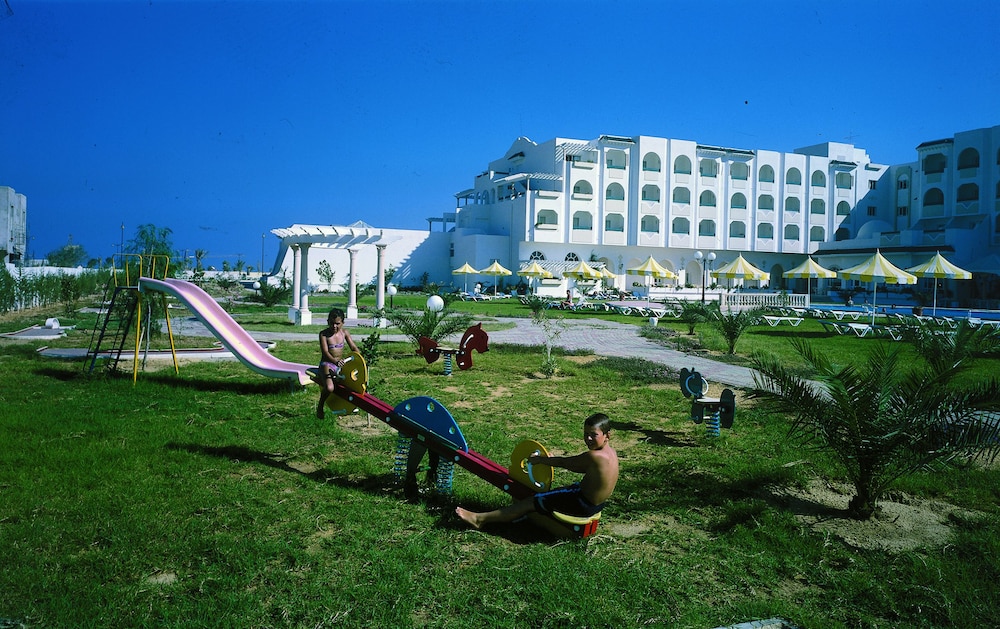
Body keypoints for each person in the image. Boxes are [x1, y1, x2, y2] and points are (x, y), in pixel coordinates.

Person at [455, 413, 619, 530]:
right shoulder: (611, 454)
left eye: (593, 435)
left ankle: (479, 519)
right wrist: (552, 459)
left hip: (582, 504)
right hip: (595, 504)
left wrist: (541, 460)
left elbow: (566, 463)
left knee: (531, 501)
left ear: (607, 435)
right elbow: (576, 464)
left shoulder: (595, 456)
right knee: (555, 493)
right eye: (585, 434)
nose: (588, 439)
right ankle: (529, 514)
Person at [316, 308, 359, 419]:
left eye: (337, 324)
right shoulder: (324, 335)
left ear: (343, 323)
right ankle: (320, 406)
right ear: (328, 322)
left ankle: (349, 405)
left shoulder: (344, 333)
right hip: (327, 364)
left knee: (351, 383)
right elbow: (325, 352)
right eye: (332, 323)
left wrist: (358, 356)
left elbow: (353, 347)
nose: (334, 326)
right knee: (330, 388)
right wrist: (335, 361)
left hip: (340, 364)